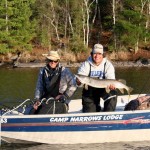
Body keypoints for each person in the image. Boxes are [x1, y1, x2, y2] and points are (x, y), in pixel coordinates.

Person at [76, 44, 117, 112]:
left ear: (102, 55)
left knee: (112, 94)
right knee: (90, 113)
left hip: (104, 89)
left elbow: (110, 78)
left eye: (99, 54)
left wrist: (111, 86)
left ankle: (108, 114)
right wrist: (78, 81)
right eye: (95, 53)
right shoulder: (86, 64)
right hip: (90, 91)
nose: (97, 56)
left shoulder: (108, 65)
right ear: (92, 54)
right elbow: (79, 82)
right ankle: (96, 107)